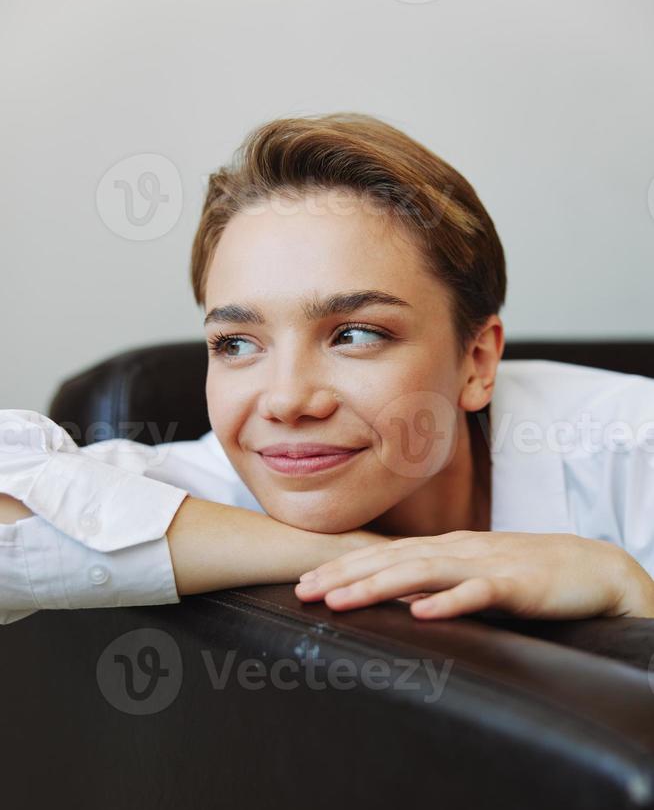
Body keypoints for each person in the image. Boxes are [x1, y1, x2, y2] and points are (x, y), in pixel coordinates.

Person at [1, 112, 654, 626]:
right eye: (236, 343)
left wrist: (632, 591)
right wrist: (359, 555)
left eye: (356, 335)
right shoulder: (218, 488)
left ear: (477, 361)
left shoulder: (634, 447)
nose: (286, 401)